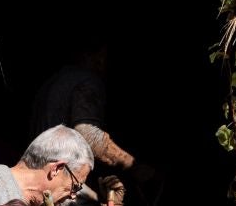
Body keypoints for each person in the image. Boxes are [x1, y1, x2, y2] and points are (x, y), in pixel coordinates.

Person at [29, 45, 152, 180]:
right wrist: (133, 166)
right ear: (97, 57)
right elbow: (88, 134)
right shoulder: (87, 81)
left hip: (38, 171)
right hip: (57, 177)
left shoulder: (55, 80)